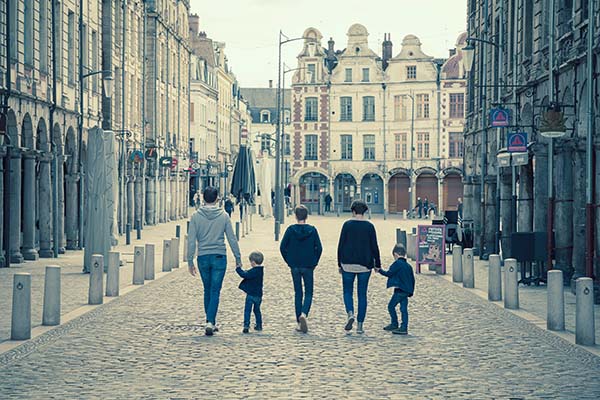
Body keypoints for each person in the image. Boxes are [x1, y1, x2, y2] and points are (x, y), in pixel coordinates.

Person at [187, 186, 242, 336]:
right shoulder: (224, 216)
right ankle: (211, 321)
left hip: (203, 257)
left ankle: (209, 321)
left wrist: (190, 260)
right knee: (215, 290)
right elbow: (232, 238)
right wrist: (237, 257)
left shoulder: (195, 217)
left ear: (203, 198)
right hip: (219, 256)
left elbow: (191, 240)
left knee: (207, 289)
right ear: (217, 198)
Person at [337, 200, 381, 334]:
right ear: (365, 212)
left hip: (348, 264)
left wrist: (339, 263)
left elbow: (341, 245)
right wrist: (377, 264)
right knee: (362, 295)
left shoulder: (347, 225)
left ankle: (350, 313)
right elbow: (375, 247)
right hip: (364, 265)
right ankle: (360, 325)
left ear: (353, 211)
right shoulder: (369, 226)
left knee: (347, 292)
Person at [280, 205, 323, 333]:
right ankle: (304, 313)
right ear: (306, 216)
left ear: (295, 216)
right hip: (308, 265)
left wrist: (289, 261)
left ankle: (299, 322)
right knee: (309, 292)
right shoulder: (312, 230)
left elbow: (283, 247)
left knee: (298, 293)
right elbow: (319, 248)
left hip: (295, 265)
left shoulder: (290, 230)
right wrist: (314, 262)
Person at [376, 243, 415, 335]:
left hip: (400, 290)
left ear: (396, 254)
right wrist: (411, 291)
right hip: (406, 291)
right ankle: (404, 327)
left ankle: (395, 323)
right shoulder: (408, 266)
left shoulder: (397, 264)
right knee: (403, 309)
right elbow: (412, 279)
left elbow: (389, 273)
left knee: (391, 306)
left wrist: (379, 270)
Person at [236, 251, 265, 334]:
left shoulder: (254, 271)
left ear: (253, 262)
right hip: (259, 295)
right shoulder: (260, 271)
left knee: (247, 310)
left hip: (251, 294)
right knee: (257, 310)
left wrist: (238, 269)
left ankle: (246, 326)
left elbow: (245, 275)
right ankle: (259, 325)